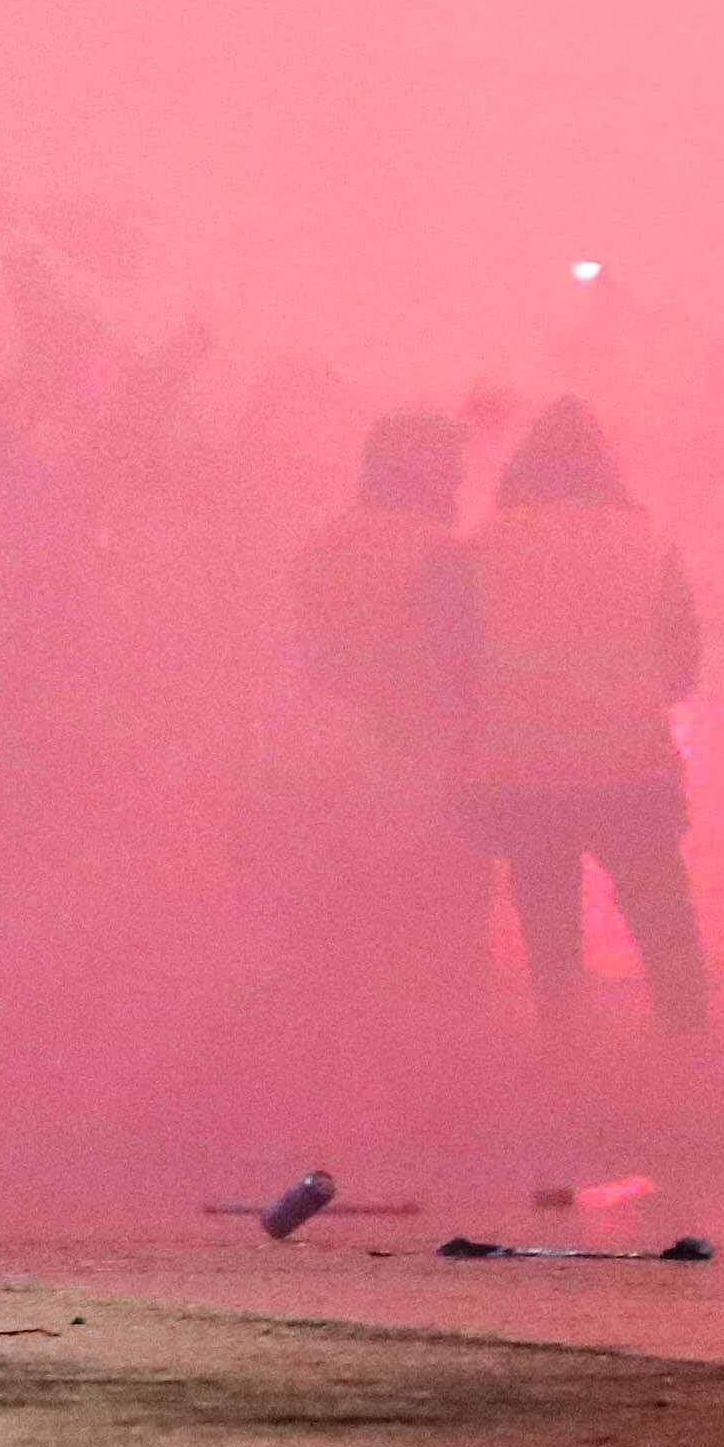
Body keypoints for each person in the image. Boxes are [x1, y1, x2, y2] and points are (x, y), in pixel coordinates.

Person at [465, 395, 708, 1034]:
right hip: (630, 761)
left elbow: (460, 660)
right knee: (663, 923)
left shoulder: (484, 547)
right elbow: (684, 667)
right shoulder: (649, 542)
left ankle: (567, 1072)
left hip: (523, 768)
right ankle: (691, 1058)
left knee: (549, 932)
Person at [272, 411, 490, 1027]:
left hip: (317, 772)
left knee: (338, 964)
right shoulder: (441, 554)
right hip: (416, 779)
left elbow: (301, 655)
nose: (456, 488)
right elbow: (466, 674)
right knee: (437, 966)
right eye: (450, 474)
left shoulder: (320, 544)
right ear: (421, 477)